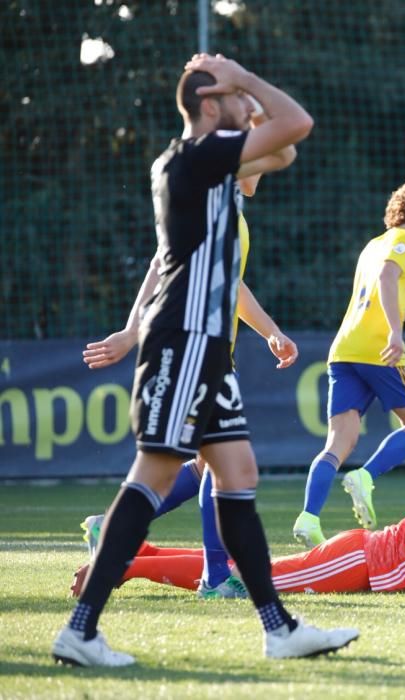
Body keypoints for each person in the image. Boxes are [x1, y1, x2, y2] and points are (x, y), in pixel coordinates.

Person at [52, 53, 358, 668]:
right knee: (157, 472)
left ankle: (277, 628)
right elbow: (296, 123)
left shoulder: (208, 164)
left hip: (205, 348)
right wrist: (244, 78)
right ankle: (81, 629)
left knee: (237, 472)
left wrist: (243, 89)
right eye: (237, 99)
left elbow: (284, 151)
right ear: (212, 106)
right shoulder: (197, 158)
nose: (250, 108)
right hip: (185, 340)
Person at [80, 106, 299, 600]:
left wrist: (269, 331)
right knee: (212, 467)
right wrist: (132, 330)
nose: (258, 164)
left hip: (216, 345)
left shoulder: (229, 206)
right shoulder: (208, 179)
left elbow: (235, 286)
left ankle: (108, 530)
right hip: (193, 343)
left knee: (208, 466)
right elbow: (164, 262)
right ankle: (216, 576)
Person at [72, 446, 405, 596]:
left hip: (364, 554)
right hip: (364, 563)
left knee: (253, 568)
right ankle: (126, 566)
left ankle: (135, 555)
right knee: (243, 583)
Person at [292, 182, 405, 548]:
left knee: (337, 442)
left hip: (345, 350)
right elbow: (388, 278)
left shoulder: (375, 244)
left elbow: (378, 294)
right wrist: (395, 331)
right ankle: (366, 477)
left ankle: (309, 518)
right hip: (379, 350)